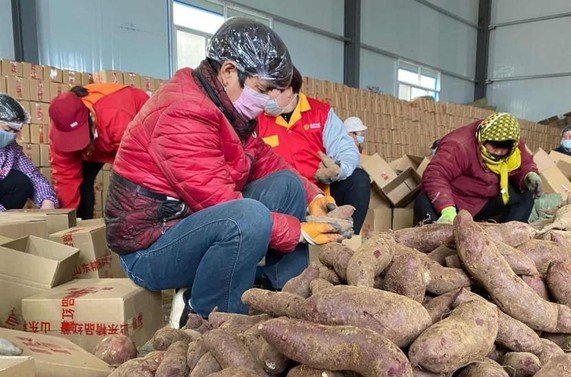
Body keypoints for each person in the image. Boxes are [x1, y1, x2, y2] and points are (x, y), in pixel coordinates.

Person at [105, 18, 344, 328]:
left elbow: (264, 159)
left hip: (186, 222)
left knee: (286, 184)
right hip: (151, 249)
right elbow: (220, 204)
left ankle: (286, 294)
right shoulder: (183, 112)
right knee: (246, 218)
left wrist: (312, 196)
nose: (269, 101)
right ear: (229, 72)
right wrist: (298, 230)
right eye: (262, 89)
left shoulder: (225, 107)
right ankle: (211, 318)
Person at [257, 67, 370, 233]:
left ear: (288, 90)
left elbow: (346, 149)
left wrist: (337, 169)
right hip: (281, 195)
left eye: (268, 90)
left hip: (322, 191)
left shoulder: (320, 113)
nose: (263, 96)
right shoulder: (255, 117)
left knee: (359, 178)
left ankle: (349, 242)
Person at [416, 112, 540, 224]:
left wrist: (528, 175)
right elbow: (435, 175)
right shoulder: (459, 145)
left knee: (526, 194)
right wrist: (447, 209)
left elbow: (525, 163)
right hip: (454, 199)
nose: (498, 152)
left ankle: (509, 237)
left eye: (504, 149)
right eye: (494, 146)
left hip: (481, 203)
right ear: (483, 138)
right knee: (424, 203)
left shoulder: (514, 145)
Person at [48, 82, 149, 219]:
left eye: (78, 138)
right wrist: (65, 220)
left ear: (89, 118)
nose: (76, 145)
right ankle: (83, 227)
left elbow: (134, 167)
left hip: (133, 133)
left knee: (127, 189)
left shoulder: (116, 115)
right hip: (98, 140)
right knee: (82, 184)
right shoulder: (60, 128)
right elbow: (65, 177)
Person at [0, 94, 58, 211]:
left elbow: (32, 175)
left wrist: (47, 200)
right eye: (7, 130)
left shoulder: (11, 148)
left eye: (15, 131)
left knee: (21, 182)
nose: (11, 134)